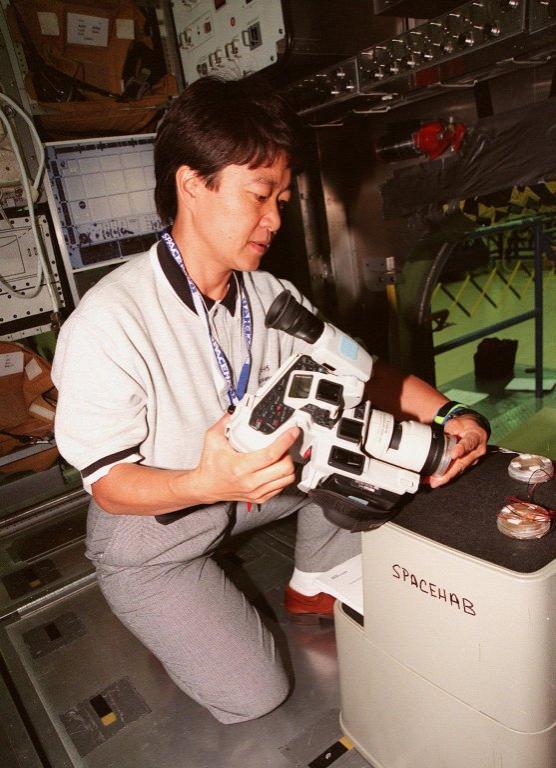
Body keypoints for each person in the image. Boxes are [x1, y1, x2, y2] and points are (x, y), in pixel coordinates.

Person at [52, 76, 489, 725]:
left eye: (282, 198)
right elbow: (110, 486)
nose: (276, 219)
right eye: (260, 194)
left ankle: (315, 579)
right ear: (191, 184)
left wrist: (451, 415)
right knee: (257, 695)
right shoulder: (108, 323)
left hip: (252, 492)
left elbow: (366, 375)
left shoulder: (270, 297)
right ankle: (168, 620)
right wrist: (204, 479)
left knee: (352, 424)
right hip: (154, 528)